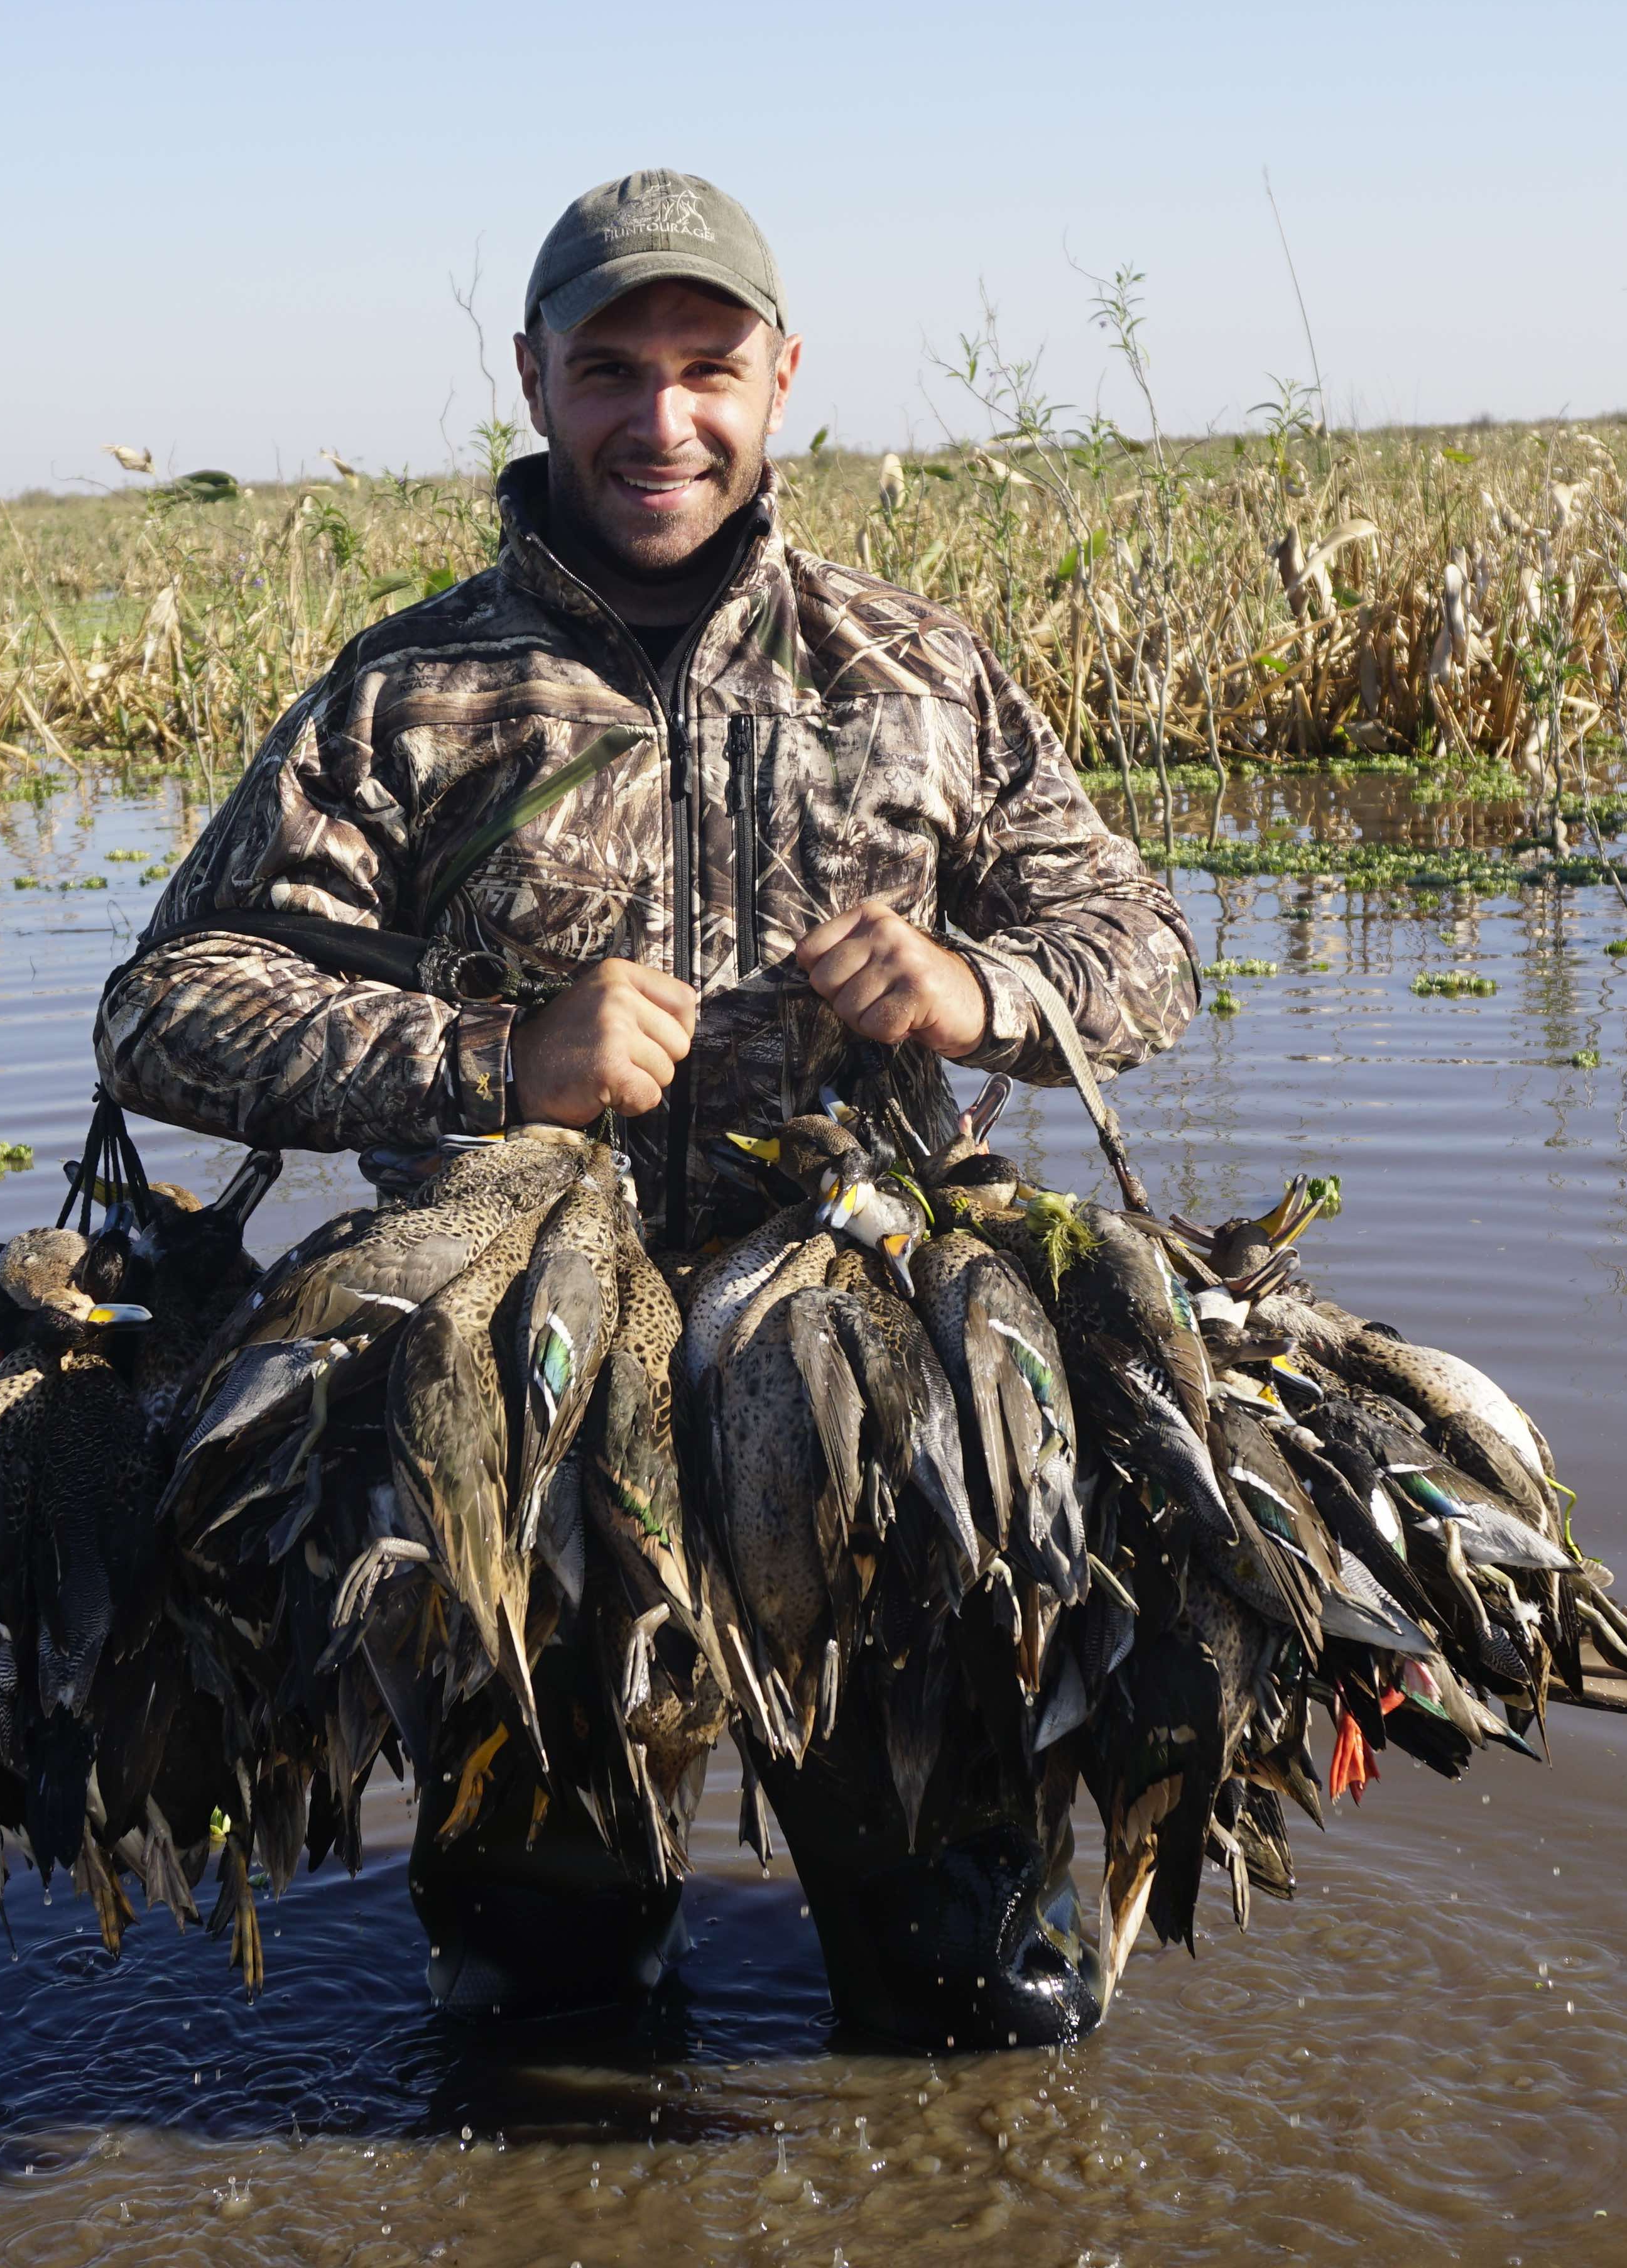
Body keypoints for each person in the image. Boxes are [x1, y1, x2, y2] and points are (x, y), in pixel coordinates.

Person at [97, 168, 1194, 2046]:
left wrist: (980, 990)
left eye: (706, 365)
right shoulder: (412, 699)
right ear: (532, 380)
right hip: (525, 1429)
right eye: (612, 367)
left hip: (877, 1416)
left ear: (782, 380)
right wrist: (488, 1060)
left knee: (976, 2003)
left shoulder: (914, 678)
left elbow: (1143, 946)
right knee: (545, 2012)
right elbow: (168, 1011)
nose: (661, 418)